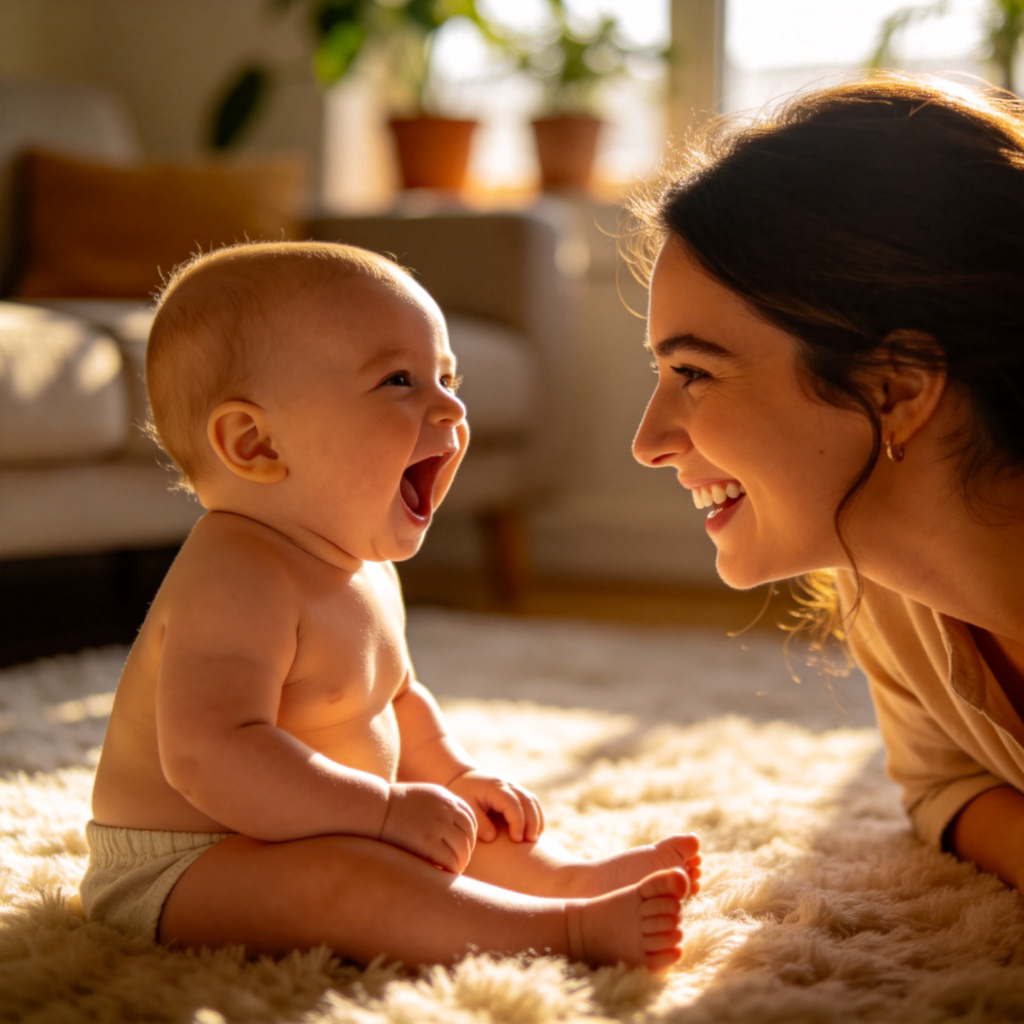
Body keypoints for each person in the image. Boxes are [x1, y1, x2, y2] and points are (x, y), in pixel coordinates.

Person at [81, 240, 700, 971]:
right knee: (351, 878)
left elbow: (397, 698)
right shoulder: (235, 575)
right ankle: (560, 931)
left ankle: (567, 882)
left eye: (446, 376)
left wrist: (457, 776)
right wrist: (377, 813)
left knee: (456, 824)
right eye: (399, 381)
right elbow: (211, 753)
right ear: (254, 443)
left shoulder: (359, 562)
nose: (450, 405)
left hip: (317, 820)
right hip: (187, 865)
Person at [628, 71, 1024, 894]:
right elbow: (944, 785)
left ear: (896, 388)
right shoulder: (884, 577)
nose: (649, 443)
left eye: (695, 371)